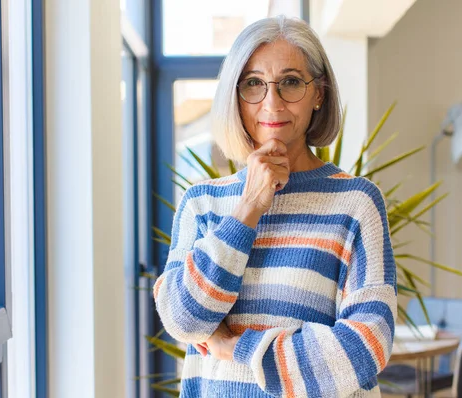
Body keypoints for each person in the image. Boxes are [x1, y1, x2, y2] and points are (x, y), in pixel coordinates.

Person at [153, 15, 397, 398]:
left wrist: (236, 348)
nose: (272, 102)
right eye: (253, 83)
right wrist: (249, 206)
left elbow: (366, 345)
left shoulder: (355, 203)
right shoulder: (202, 204)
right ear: (235, 95)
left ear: (319, 93)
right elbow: (183, 319)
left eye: (290, 82)